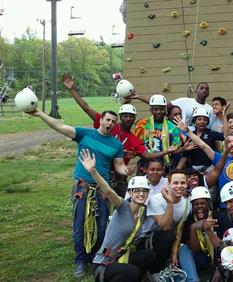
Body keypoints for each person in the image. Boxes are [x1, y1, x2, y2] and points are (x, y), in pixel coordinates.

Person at [27, 109, 132, 277]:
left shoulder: (116, 144)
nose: (110, 124)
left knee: (102, 225)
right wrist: (40, 114)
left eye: (113, 121)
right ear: (101, 121)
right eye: (107, 120)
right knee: (80, 225)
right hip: (82, 188)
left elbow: (118, 165)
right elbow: (60, 127)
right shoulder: (84, 134)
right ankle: (80, 260)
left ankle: (96, 258)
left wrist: (125, 170)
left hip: (102, 189)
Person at [62, 73, 165, 197]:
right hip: (99, 175)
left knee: (122, 210)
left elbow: (147, 155)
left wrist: (168, 151)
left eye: (131, 116)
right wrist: (72, 89)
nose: (128, 119)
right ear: (120, 117)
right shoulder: (109, 125)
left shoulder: (133, 139)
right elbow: (87, 108)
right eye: (125, 116)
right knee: (95, 209)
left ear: (134, 119)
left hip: (119, 179)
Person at [78, 149, 156, 282]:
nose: (141, 194)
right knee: (133, 271)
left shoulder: (142, 211)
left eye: (144, 191)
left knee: (149, 256)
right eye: (137, 191)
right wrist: (93, 171)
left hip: (120, 256)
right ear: (130, 193)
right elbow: (108, 191)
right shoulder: (122, 206)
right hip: (104, 262)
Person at [136, 169, 190, 274]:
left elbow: (179, 229)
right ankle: (156, 271)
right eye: (175, 183)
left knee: (171, 236)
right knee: (168, 235)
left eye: (183, 183)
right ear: (168, 184)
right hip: (145, 239)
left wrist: (174, 250)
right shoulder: (156, 200)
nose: (179, 186)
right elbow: (165, 227)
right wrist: (169, 203)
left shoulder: (187, 203)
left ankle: (166, 265)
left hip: (165, 239)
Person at [179, 186, 231, 281]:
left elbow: (226, 246)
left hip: (220, 258)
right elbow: (195, 250)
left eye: (203, 203)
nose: (199, 207)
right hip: (201, 258)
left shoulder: (220, 217)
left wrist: (219, 267)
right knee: (184, 248)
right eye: (196, 204)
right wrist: (193, 227)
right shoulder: (189, 220)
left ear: (209, 203)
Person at [133, 94, 180, 170]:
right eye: (155, 109)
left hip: (165, 165)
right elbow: (137, 146)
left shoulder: (172, 128)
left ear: (165, 110)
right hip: (145, 164)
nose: (158, 112)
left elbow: (175, 149)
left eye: (161, 109)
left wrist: (184, 148)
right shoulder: (142, 124)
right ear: (151, 110)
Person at [177, 107, 224, 172]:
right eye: (199, 119)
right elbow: (185, 156)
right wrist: (176, 170)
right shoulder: (190, 135)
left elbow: (225, 136)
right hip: (193, 169)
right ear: (194, 121)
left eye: (205, 120)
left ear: (207, 122)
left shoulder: (211, 133)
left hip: (209, 168)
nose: (202, 122)